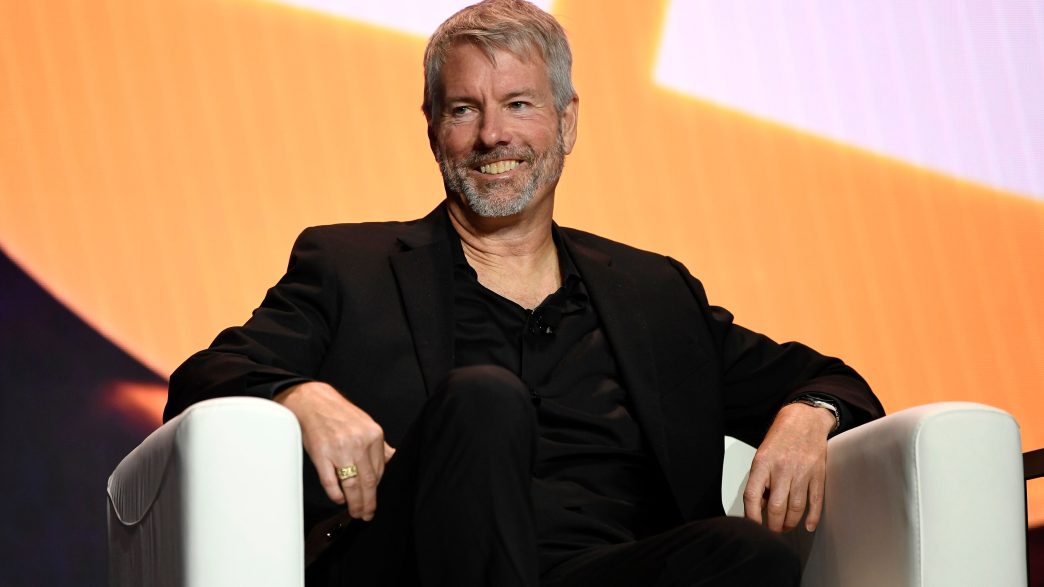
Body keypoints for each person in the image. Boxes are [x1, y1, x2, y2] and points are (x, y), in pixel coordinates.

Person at [164, 1, 884, 585]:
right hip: (408, 569)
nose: (493, 136)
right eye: (464, 110)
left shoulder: (652, 292)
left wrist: (809, 410)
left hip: (602, 570)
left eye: (517, 104)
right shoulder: (350, 263)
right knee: (483, 398)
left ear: (566, 123)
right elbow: (206, 377)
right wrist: (297, 391)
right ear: (433, 130)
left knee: (745, 554)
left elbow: (834, 379)